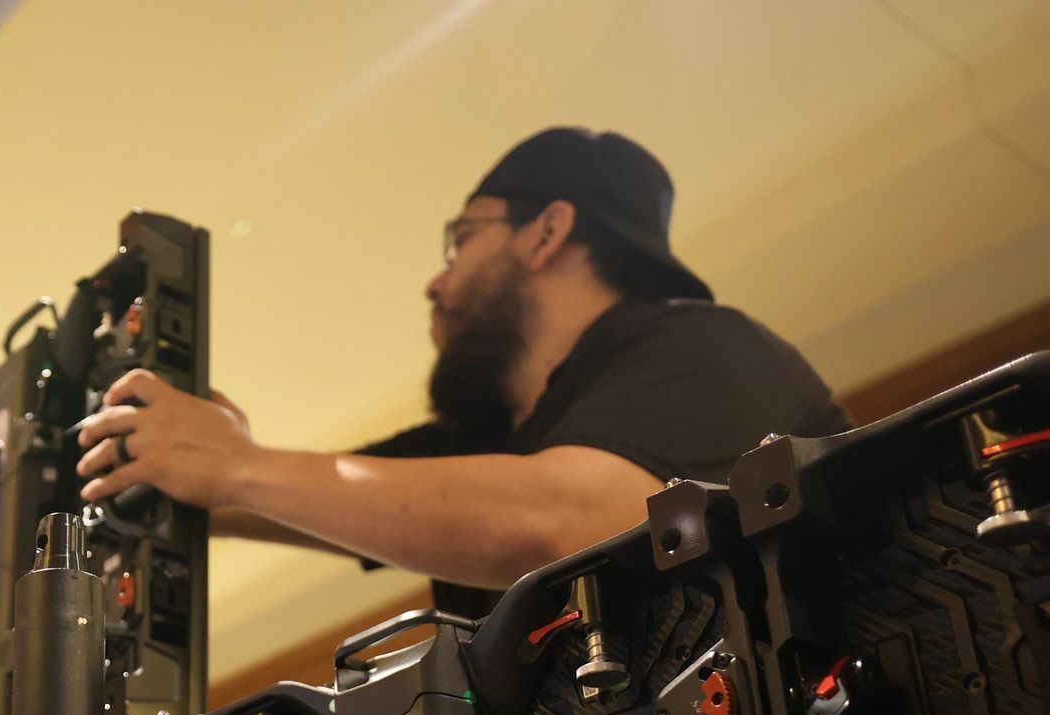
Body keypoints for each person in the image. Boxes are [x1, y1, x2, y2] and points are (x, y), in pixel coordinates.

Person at [71, 127, 852, 615]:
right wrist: (162, 457)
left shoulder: (703, 347)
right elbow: (307, 500)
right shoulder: (486, 441)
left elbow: (564, 518)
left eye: (460, 240)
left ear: (548, 232)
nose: (436, 284)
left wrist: (239, 465)